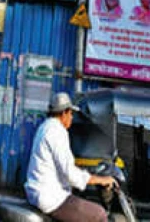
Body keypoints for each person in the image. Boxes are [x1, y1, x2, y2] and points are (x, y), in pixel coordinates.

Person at [25, 92, 118, 222]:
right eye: (70, 114)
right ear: (64, 113)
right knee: (99, 214)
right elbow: (69, 173)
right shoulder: (57, 132)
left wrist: (84, 177)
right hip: (51, 198)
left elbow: (61, 168)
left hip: (39, 192)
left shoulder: (45, 127)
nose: (72, 118)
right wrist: (99, 180)